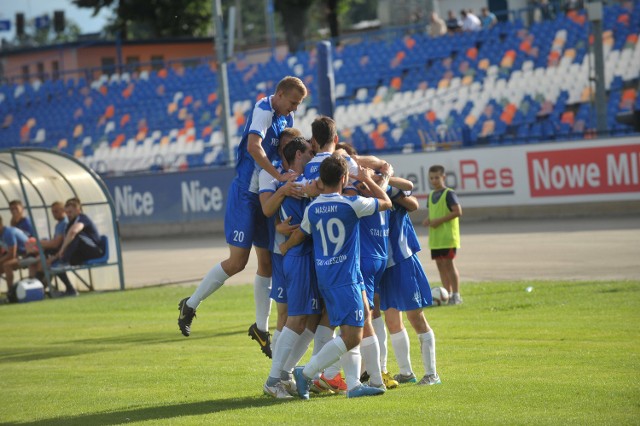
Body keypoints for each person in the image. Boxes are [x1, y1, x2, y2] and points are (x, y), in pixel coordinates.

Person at [177, 76, 308, 359]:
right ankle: (190, 303)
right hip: (246, 195)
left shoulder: (285, 116)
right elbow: (253, 147)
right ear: (280, 94)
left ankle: (261, 328)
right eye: (293, 102)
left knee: (266, 263)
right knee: (238, 262)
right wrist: (279, 177)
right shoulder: (263, 110)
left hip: (266, 192)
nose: (295, 108)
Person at [281, 154, 392, 399]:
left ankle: (353, 385)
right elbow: (386, 202)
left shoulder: (313, 208)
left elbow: (301, 234)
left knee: (351, 326)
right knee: (353, 335)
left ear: (321, 179)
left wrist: (286, 246)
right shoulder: (351, 204)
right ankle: (307, 373)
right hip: (346, 278)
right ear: (344, 178)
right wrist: (367, 180)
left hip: (326, 277)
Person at [263, 137, 321, 399]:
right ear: (299, 154)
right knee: (296, 320)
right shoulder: (295, 184)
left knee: (310, 319)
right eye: (310, 152)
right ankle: (273, 379)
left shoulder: (289, 184)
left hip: (303, 256)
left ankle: (285, 374)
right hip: (297, 257)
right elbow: (319, 190)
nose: (313, 155)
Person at [380, 187, 441, 386]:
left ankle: (432, 374)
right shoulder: (364, 194)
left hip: (404, 262)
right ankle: (406, 372)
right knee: (391, 319)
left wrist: (387, 183)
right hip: (384, 266)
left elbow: (413, 204)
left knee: (415, 317)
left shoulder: (391, 191)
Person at [422, 165, 463, 305]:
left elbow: (457, 211)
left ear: (443, 177)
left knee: (449, 264)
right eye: (432, 178)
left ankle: (456, 295)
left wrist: (438, 221)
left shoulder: (449, 193)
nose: (434, 180)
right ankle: (447, 293)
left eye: (437, 177)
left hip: (447, 236)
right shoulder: (431, 195)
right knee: (440, 265)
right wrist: (429, 220)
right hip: (435, 238)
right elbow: (434, 212)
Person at [28, 201, 77, 296]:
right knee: (36, 262)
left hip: (65, 252)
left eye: (56, 211)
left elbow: (56, 244)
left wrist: (38, 243)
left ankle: (36, 289)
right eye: (53, 212)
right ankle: (37, 288)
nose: (54, 214)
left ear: (63, 210)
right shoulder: (59, 224)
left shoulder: (64, 223)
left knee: (45, 263)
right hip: (58, 252)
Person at [52, 198, 104, 266]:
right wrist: (56, 256)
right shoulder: (69, 224)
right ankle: (61, 261)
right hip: (83, 253)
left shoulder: (82, 218)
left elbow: (74, 231)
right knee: (66, 240)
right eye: (66, 213)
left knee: (76, 234)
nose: (68, 215)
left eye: (70, 212)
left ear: (78, 211)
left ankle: (64, 261)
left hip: (96, 251)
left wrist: (62, 249)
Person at [0, 215, 29, 295]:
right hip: (18, 256)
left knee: (6, 265)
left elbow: (11, 255)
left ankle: (11, 292)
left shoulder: (8, 233)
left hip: (28, 255)